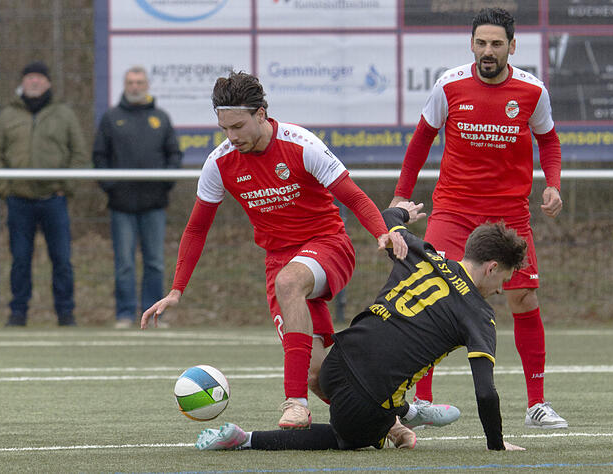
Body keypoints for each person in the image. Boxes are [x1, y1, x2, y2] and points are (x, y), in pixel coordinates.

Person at [141, 71, 412, 430]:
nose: (231, 136)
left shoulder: (301, 145)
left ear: (261, 114)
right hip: (279, 261)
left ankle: (294, 404)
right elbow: (196, 229)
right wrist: (177, 289)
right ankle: (387, 423)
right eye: (224, 129)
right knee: (316, 373)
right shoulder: (219, 164)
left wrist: (382, 231)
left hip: (328, 245)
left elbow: (352, 195)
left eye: (238, 126)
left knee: (289, 284)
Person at [194, 201, 527, 452]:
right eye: (505, 281)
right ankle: (246, 439)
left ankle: (406, 413)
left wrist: (403, 218)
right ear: (492, 268)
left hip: (336, 363)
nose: (500, 290)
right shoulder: (478, 314)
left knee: (379, 381)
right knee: (347, 438)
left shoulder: (424, 254)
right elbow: (485, 391)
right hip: (367, 402)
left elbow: (389, 217)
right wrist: (497, 444)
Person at [389, 7, 568, 429]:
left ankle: (537, 404)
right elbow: (420, 142)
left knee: (523, 298)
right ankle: (424, 401)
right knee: (429, 293)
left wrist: (553, 183)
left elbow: (550, 141)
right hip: (453, 208)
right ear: (472, 44)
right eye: (481, 43)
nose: (488, 51)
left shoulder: (531, 90)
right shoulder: (448, 85)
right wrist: (401, 195)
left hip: (508, 213)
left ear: (512, 46)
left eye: (497, 44)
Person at [0, 61, 89, 327]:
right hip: (18, 201)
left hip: (54, 200)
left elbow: (79, 154)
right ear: (22, 82)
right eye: (29, 77)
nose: (34, 82)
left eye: (39, 78)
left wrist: (65, 187)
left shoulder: (63, 114)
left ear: (48, 83)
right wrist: (5, 188)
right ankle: (17, 313)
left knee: (62, 260)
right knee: (20, 260)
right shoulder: (8, 115)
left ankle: (66, 314)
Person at [93, 66, 183, 329]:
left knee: (154, 262)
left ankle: (154, 317)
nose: (135, 86)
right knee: (124, 264)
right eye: (130, 82)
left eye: (140, 82)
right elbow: (100, 157)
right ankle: (124, 314)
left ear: (147, 85)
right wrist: (111, 185)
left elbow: (174, 156)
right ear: (124, 85)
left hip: (154, 205)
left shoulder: (161, 118)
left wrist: (164, 184)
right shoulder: (111, 118)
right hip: (121, 206)